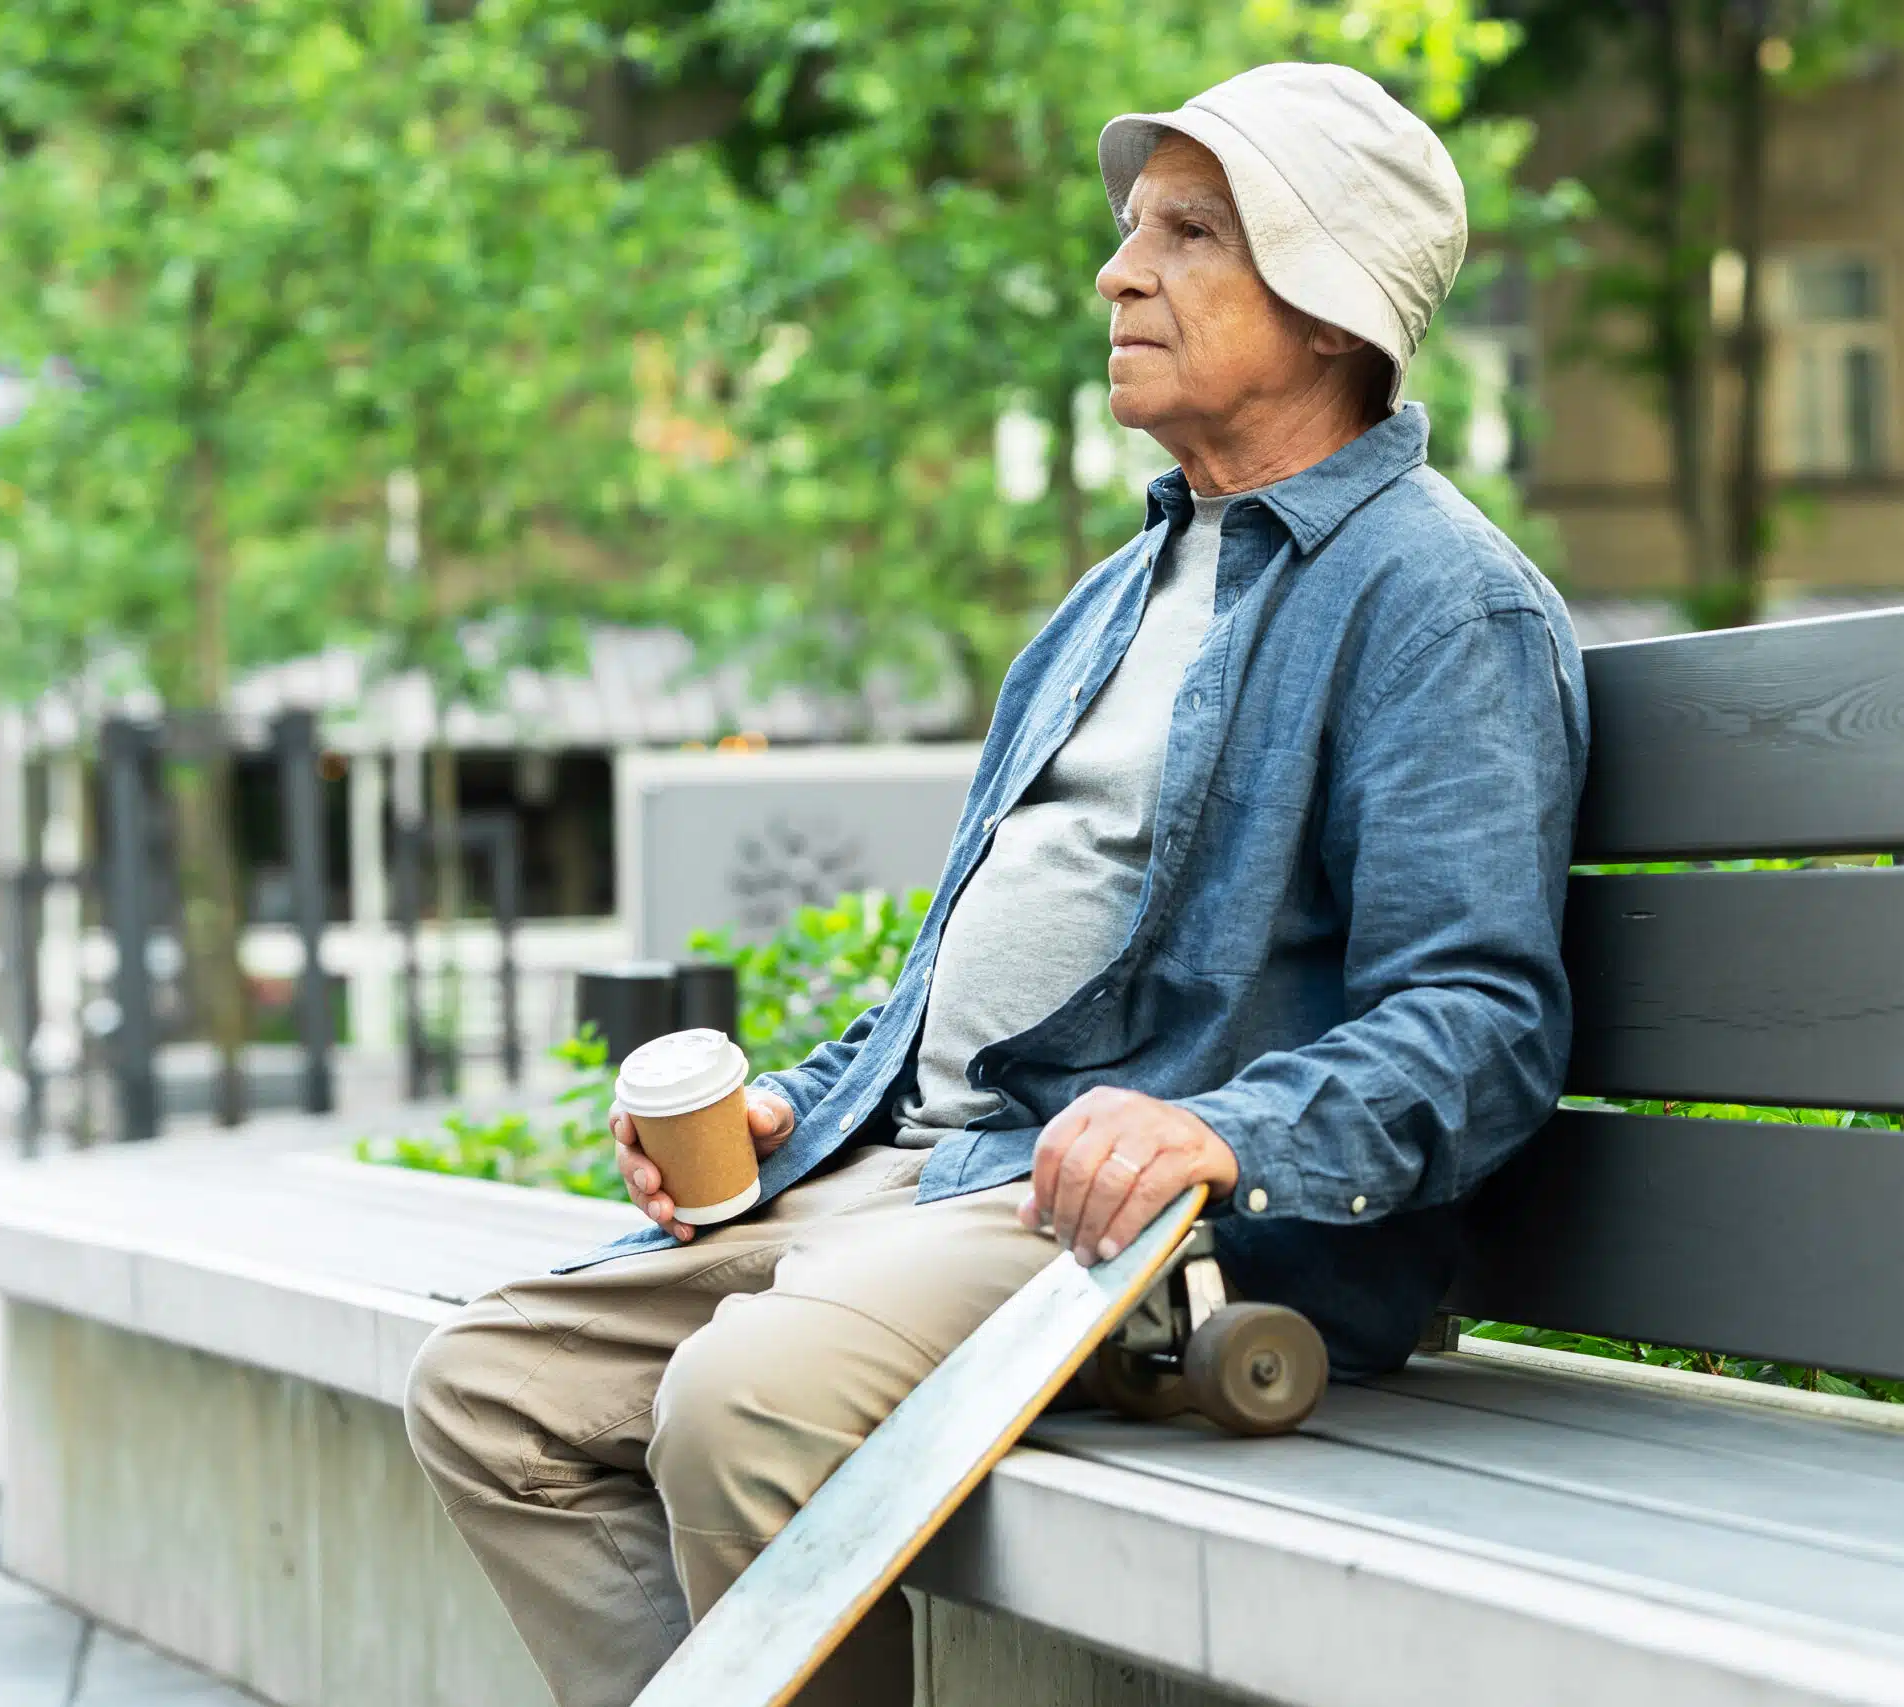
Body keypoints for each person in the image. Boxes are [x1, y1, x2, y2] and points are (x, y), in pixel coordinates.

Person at [405, 60, 1588, 1707]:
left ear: (1329, 308)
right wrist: (798, 1103)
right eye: (1130, 232)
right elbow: (974, 972)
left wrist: (1224, 1129)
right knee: (490, 1386)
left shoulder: (1440, 604)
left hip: (1172, 1230)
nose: (1119, 272)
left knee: (741, 1400)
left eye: (1188, 235)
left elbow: (1483, 1022)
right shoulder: (1116, 595)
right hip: (938, 1169)